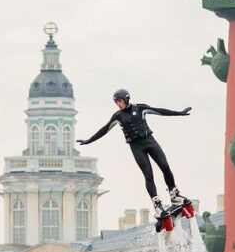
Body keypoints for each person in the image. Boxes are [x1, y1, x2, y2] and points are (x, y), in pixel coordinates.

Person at [77, 89, 192, 218]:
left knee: (165, 166)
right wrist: (88, 141)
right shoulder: (118, 116)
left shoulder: (140, 108)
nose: (118, 104)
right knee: (148, 174)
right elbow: (104, 129)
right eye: (116, 102)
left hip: (150, 141)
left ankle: (174, 195)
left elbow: (160, 111)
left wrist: (180, 113)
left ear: (126, 99)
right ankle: (157, 204)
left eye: (120, 101)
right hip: (137, 147)